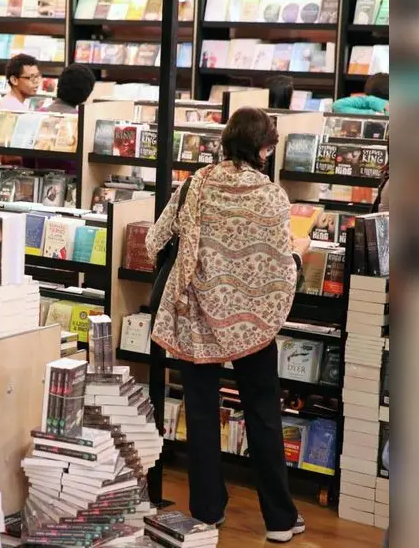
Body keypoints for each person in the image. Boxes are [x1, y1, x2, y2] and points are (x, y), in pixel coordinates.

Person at [145, 107, 310, 543]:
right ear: (263, 147)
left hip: (196, 318)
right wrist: (299, 254)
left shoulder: (196, 183)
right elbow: (280, 266)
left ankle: (207, 510)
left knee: (200, 413)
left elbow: (153, 240)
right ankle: (278, 519)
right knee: (263, 414)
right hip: (252, 326)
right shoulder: (272, 195)